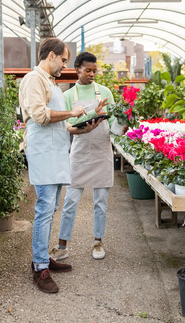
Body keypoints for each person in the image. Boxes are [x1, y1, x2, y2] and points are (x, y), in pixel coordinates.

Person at [19, 39, 102, 293]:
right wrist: (72, 113)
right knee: (44, 208)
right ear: (52, 56)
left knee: (51, 206)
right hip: (44, 153)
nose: (65, 65)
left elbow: (59, 124)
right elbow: (41, 115)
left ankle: (42, 257)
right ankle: (39, 268)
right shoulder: (34, 80)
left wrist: (84, 126)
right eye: (63, 60)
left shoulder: (50, 83)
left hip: (55, 152)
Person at [49, 52, 114, 261]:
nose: (92, 74)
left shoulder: (105, 92)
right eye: (88, 70)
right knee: (70, 201)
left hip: (102, 149)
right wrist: (91, 116)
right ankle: (62, 246)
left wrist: (125, 125)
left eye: (95, 71)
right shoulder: (67, 96)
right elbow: (66, 126)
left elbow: (113, 124)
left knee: (100, 202)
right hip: (79, 151)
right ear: (77, 69)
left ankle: (98, 241)